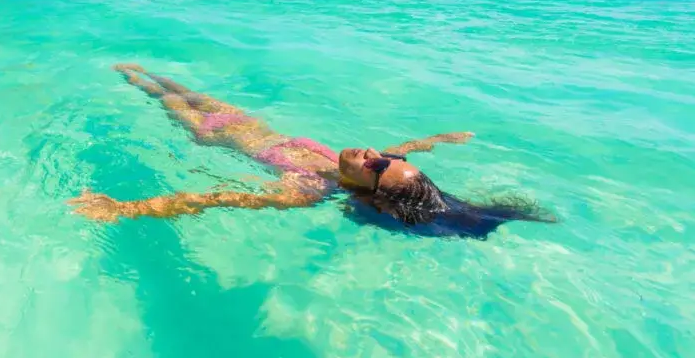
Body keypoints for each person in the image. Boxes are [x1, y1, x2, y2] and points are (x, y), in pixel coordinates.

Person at [69, 65, 554, 237]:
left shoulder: (308, 189)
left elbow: (216, 197)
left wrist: (126, 209)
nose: (378, 154)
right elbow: (404, 147)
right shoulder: (370, 162)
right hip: (247, 122)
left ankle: (122, 73)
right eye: (392, 159)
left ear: (370, 190)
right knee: (178, 83)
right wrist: (439, 139)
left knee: (158, 93)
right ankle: (135, 68)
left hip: (213, 133)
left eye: (380, 166)